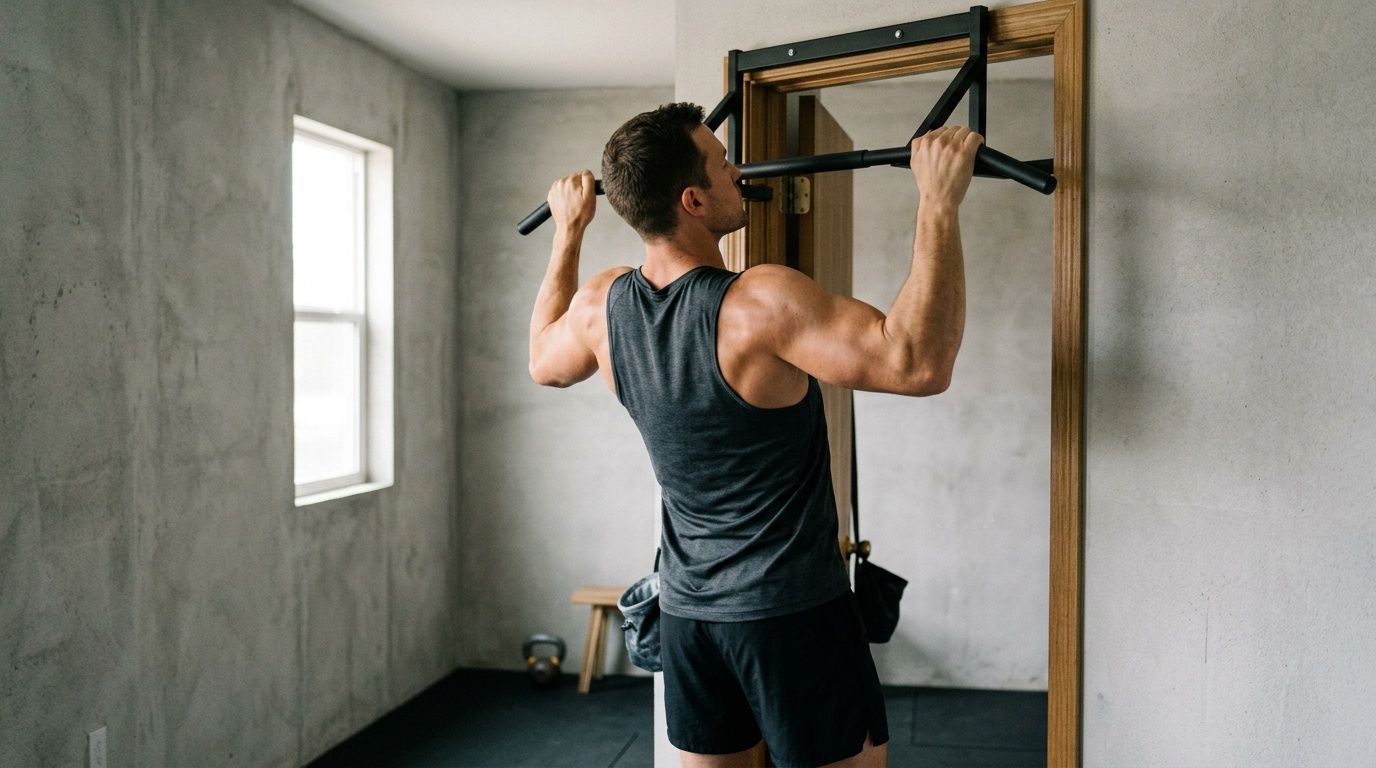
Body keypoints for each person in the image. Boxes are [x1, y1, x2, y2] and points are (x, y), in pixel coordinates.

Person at [528, 102, 979, 768]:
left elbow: (543, 360)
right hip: (791, 613)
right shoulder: (757, 302)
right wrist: (938, 201)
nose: (737, 169)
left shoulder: (600, 304)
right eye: (720, 162)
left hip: (686, 615)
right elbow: (917, 362)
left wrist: (568, 232)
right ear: (693, 200)